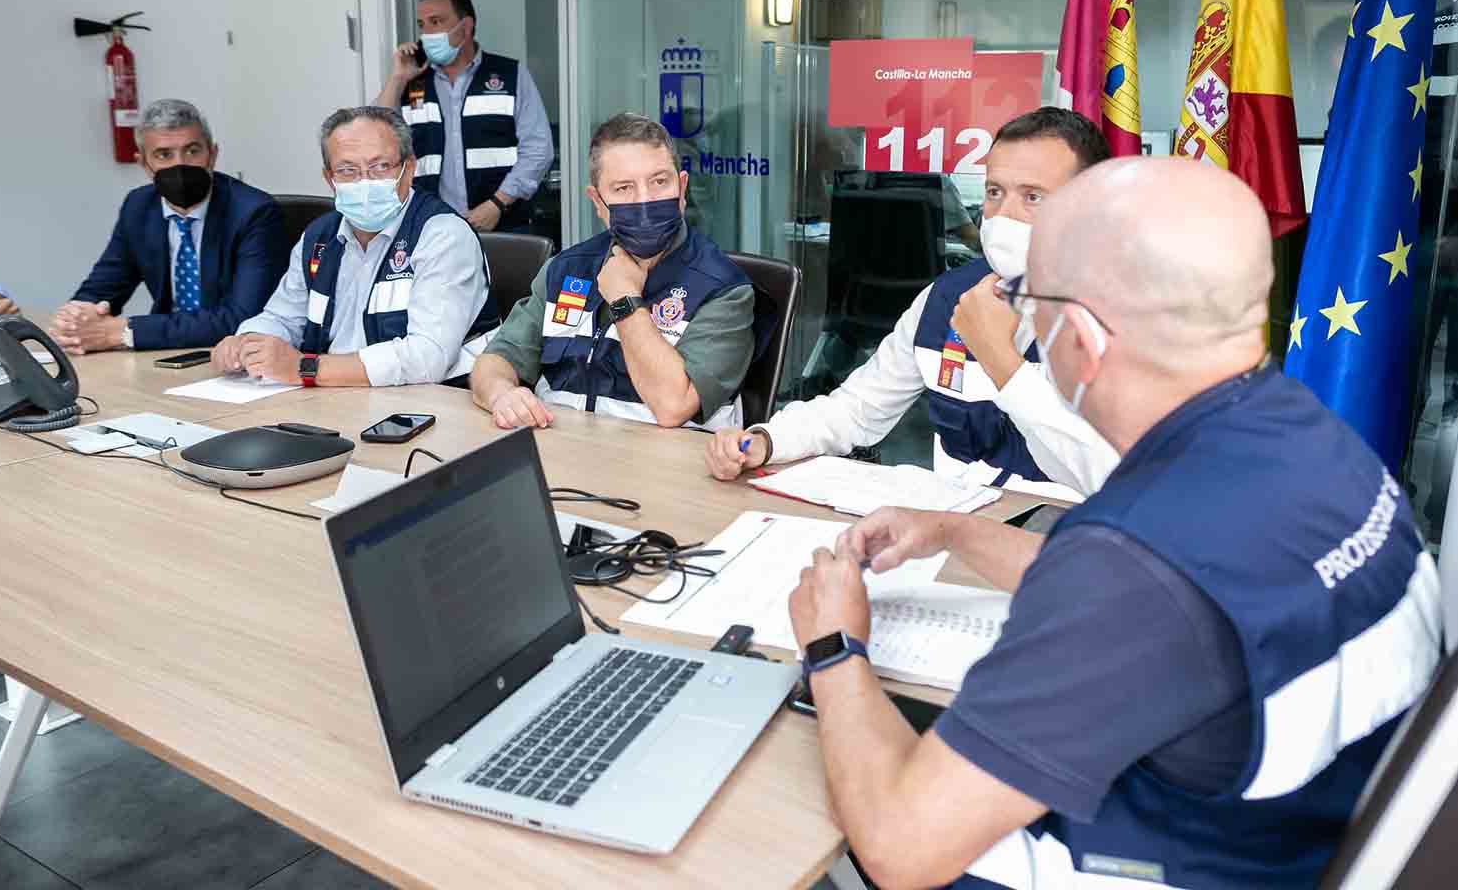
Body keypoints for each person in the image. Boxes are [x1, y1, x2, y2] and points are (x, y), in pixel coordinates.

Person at [787, 158, 1443, 890]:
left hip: (1141, 862)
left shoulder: (1134, 557)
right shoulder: (1306, 437)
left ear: (1082, 338)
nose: (1016, 314)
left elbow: (901, 851)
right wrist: (955, 532)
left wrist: (833, 643)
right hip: (1279, 836)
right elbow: (1195, 607)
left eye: (1023, 298)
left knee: (792, 800)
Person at [706, 107, 1118, 501]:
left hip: (1067, 538)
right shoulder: (945, 299)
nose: (1003, 216)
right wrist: (767, 440)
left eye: (1033, 197)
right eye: (995, 192)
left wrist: (1001, 362)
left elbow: (1116, 474)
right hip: (952, 528)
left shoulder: (1124, 319)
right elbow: (859, 409)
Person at [471, 112, 767, 429]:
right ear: (597, 202)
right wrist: (503, 394)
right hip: (563, 455)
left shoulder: (722, 289)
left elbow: (673, 405)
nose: (644, 201)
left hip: (667, 469)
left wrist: (625, 299)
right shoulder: (568, 269)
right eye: (624, 188)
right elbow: (495, 360)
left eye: (659, 182)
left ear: (681, 189)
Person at [212, 106, 497, 387]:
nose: (365, 182)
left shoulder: (442, 234)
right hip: (332, 394)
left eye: (380, 167)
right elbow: (282, 318)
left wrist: (305, 368)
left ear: (409, 169)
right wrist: (246, 342)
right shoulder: (318, 237)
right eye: (348, 170)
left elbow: (426, 359)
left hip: (431, 403)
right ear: (330, 179)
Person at [51, 99, 288, 354]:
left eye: (192, 150)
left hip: (230, 354)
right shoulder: (139, 206)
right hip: (162, 352)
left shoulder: (253, 212)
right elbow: (103, 286)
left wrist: (124, 332)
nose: (180, 164)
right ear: (143, 163)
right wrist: (75, 319)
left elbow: (242, 317)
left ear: (213, 154)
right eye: (164, 155)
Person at [374, 0, 553, 234]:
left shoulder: (509, 74)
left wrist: (497, 204)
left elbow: (538, 149)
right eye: (422, 25)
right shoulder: (411, 82)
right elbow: (376, 139)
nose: (427, 33)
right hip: (431, 226)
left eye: (436, 22)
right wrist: (397, 77)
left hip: (505, 223)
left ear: (466, 27)